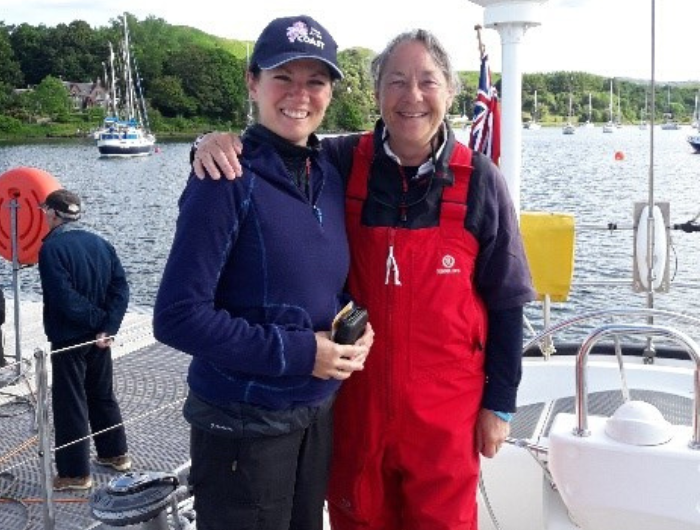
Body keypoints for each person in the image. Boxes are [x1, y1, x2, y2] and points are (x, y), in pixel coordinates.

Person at [193, 28, 535, 530]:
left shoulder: (482, 181)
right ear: (376, 94)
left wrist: (499, 405)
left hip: (446, 417)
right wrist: (210, 143)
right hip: (354, 409)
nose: (412, 96)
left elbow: (508, 302)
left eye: (427, 81)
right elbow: (272, 155)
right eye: (396, 81)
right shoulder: (337, 162)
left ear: (450, 91)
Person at [153, 15, 372, 530]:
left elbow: (320, 284)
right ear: (253, 83)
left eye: (315, 81)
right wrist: (303, 352)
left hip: (314, 415)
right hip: (242, 427)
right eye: (282, 78)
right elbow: (178, 317)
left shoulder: (329, 171)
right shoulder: (224, 178)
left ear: (330, 94)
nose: (299, 95)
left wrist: (353, 331)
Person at [38, 189, 131, 491]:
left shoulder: (51, 249)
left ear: (53, 214)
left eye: (44, 212)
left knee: (70, 403)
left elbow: (64, 299)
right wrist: (107, 327)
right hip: (101, 340)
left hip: (70, 339)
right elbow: (121, 288)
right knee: (102, 395)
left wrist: (97, 325)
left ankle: (75, 473)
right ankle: (115, 454)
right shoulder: (102, 243)